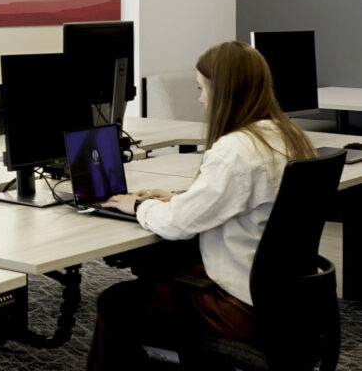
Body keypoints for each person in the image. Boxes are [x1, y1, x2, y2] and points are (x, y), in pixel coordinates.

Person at [87, 41, 317, 370]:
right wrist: (178, 199)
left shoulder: (236, 149)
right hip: (288, 297)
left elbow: (177, 226)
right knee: (165, 268)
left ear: (223, 90)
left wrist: (138, 207)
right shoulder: (289, 135)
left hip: (241, 306)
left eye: (202, 88)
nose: (200, 99)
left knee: (118, 302)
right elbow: (238, 201)